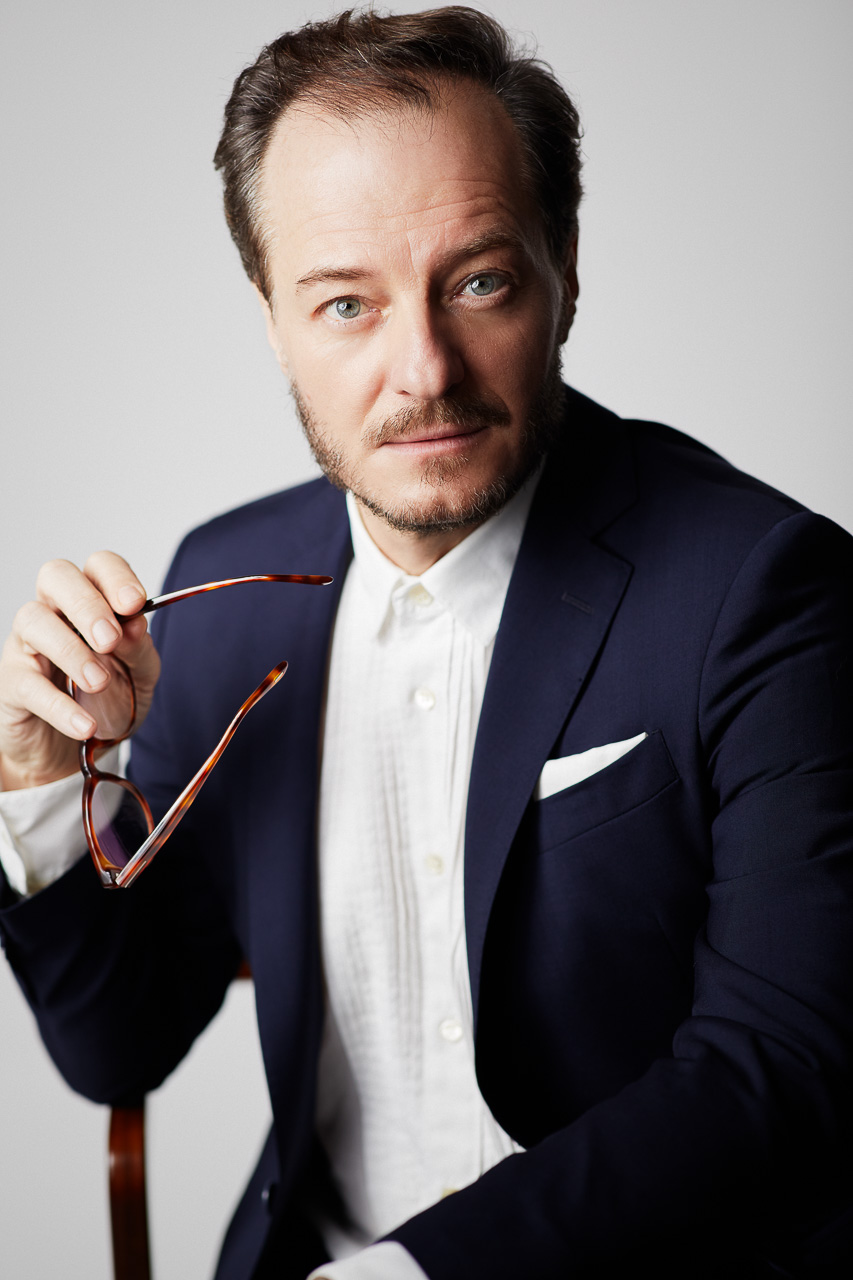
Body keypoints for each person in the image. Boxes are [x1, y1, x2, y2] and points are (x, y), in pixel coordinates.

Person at [1, 7, 852, 1278]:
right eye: (346, 302)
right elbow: (117, 1041)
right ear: (270, 315)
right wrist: (34, 784)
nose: (424, 371)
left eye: (478, 281)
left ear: (566, 267)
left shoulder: (766, 588)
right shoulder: (222, 597)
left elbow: (777, 1072)